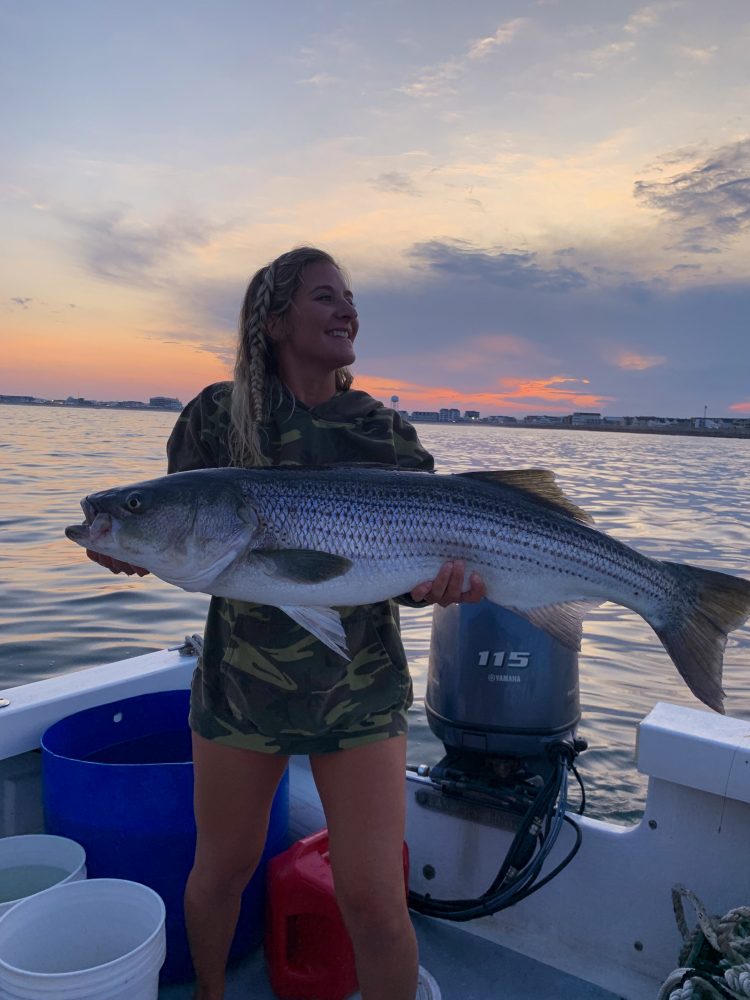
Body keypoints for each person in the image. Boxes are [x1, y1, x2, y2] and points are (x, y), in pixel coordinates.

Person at [88, 246, 485, 1000]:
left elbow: (404, 576)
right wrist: (129, 544)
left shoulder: (388, 434)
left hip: (359, 693)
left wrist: (439, 587)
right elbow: (185, 537)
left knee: (373, 901)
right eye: (325, 297)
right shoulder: (214, 415)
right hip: (242, 691)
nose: (348, 311)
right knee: (220, 873)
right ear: (274, 321)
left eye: (350, 298)